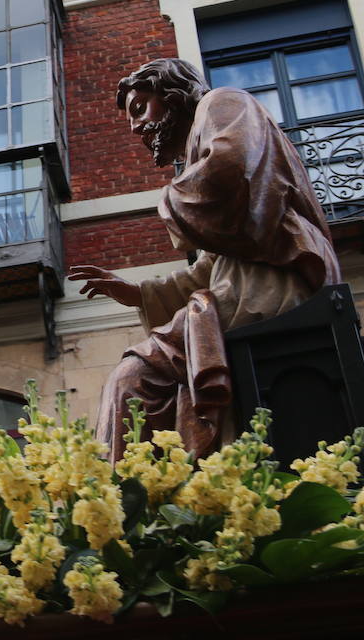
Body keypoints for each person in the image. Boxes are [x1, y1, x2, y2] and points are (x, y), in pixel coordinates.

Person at [68, 58, 340, 460]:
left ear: (172, 93)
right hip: (245, 283)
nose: (135, 126)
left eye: (141, 108)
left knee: (134, 380)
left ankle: (133, 498)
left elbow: (229, 170)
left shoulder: (222, 102)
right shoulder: (200, 143)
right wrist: (140, 293)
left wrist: (170, 203)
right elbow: (213, 265)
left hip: (267, 286)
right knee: (140, 380)